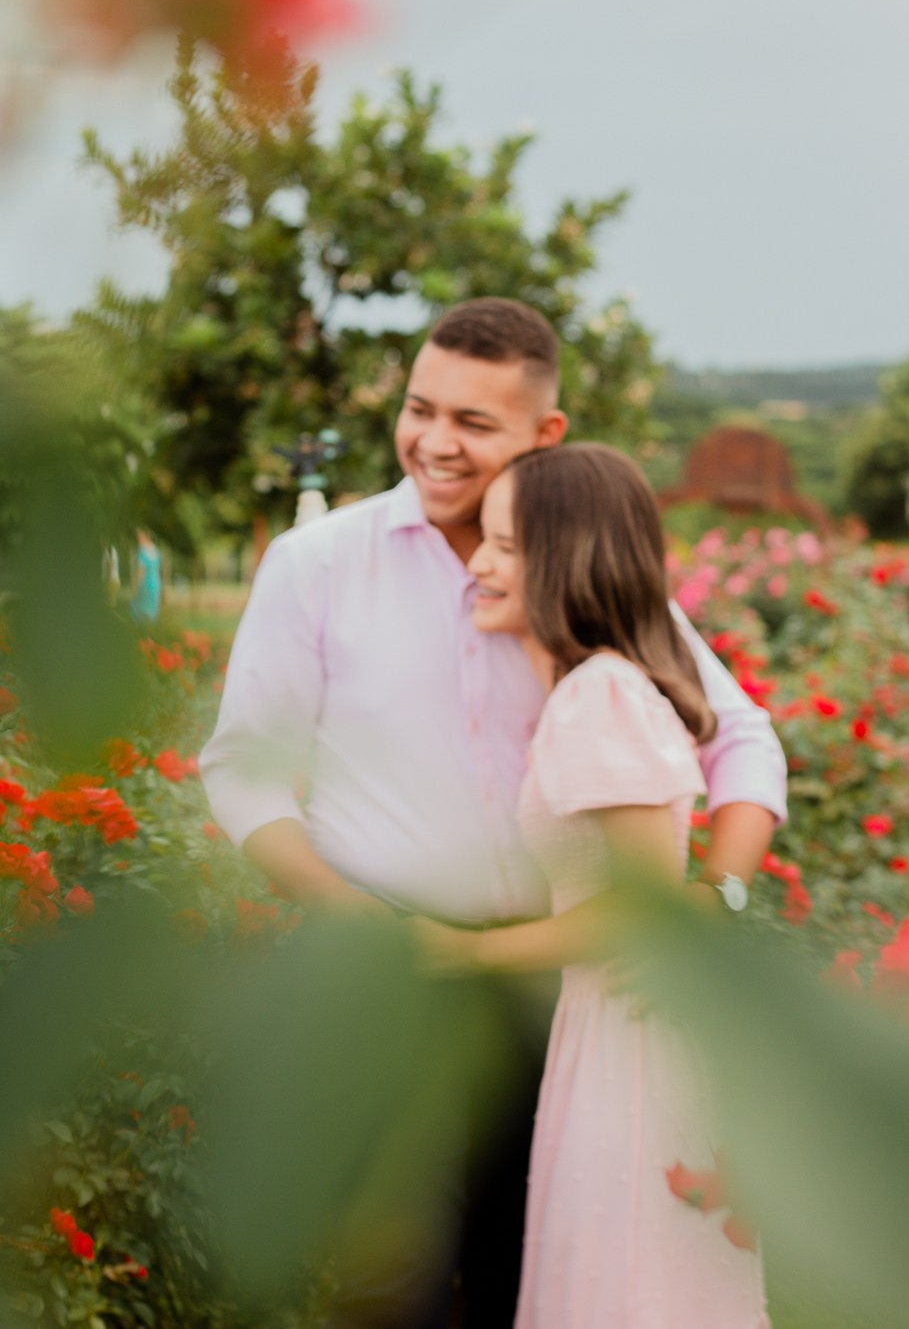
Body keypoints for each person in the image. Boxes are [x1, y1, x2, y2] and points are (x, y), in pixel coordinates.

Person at [199, 297, 786, 1327]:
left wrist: (718, 891)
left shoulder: (588, 575)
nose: (434, 442)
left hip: (566, 995)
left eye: (474, 423)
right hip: (395, 985)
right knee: (395, 1287)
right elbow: (243, 773)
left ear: (543, 436)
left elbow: (740, 739)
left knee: (543, 1268)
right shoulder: (319, 566)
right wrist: (360, 926)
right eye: (420, 409)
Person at [418, 443, 771, 1327]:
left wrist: (463, 948)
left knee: (625, 1273)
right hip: (613, 1017)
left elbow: (635, 911)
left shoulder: (597, 697)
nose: (481, 563)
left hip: (626, 1021)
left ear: (566, 557)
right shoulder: (596, 687)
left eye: (503, 545)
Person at [131, 528, 162, 624]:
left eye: (140, 537)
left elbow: (141, 571)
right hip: (156, 583)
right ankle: (150, 634)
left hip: (145, 583)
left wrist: (136, 587)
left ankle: (141, 634)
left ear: (146, 537)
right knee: (151, 611)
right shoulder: (156, 550)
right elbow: (157, 569)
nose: (138, 539)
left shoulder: (142, 551)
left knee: (137, 609)